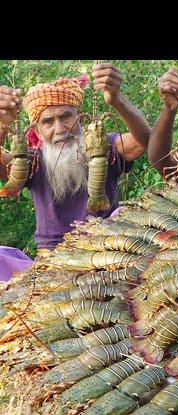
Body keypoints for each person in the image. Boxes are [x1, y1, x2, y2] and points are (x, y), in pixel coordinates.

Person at [0, 64, 151, 279]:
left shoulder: (104, 146)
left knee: (121, 215)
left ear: (79, 117)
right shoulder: (31, 161)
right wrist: (3, 124)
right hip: (52, 261)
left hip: (105, 253)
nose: (60, 128)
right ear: (37, 131)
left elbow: (144, 140)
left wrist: (116, 100)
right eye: (48, 122)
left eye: (66, 116)